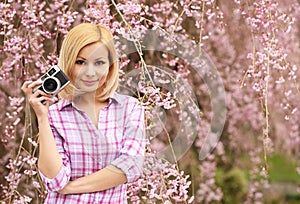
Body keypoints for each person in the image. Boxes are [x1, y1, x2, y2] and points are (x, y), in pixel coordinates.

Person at [21, 23, 145, 203]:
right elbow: (55, 180)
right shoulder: (55, 114)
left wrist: (69, 188)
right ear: (69, 64)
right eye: (80, 62)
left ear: (110, 66)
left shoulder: (129, 108)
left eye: (99, 62)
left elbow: (130, 166)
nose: (90, 72)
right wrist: (42, 118)